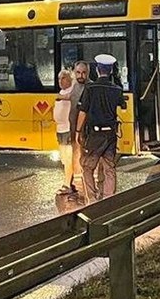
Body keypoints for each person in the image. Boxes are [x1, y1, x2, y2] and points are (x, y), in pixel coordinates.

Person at [76, 54, 127, 201]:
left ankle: (92, 199)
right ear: (111, 70)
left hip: (94, 135)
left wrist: (78, 131)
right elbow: (122, 108)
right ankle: (108, 199)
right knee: (109, 168)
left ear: (97, 69)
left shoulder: (90, 88)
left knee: (87, 167)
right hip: (111, 134)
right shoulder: (117, 89)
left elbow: (83, 111)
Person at [68, 61, 91, 194]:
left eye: (84, 73)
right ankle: (75, 181)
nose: (81, 75)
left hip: (86, 129)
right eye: (78, 72)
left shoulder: (91, 87)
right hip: (73, 127)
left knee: (86, 156)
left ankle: (86, 184)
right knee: (75, 154)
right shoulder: (74, 87)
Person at [53, 69, 75, 197]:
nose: (60, 81)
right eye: (59, 79)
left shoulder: (71, 91)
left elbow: (70, 97)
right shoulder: (62, 91)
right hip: (60, 129)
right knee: (64, 158)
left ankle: (67, 184)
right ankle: (68, 182)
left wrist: (60, 97)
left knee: (68, 158)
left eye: (63, 78)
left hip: (67, 129)